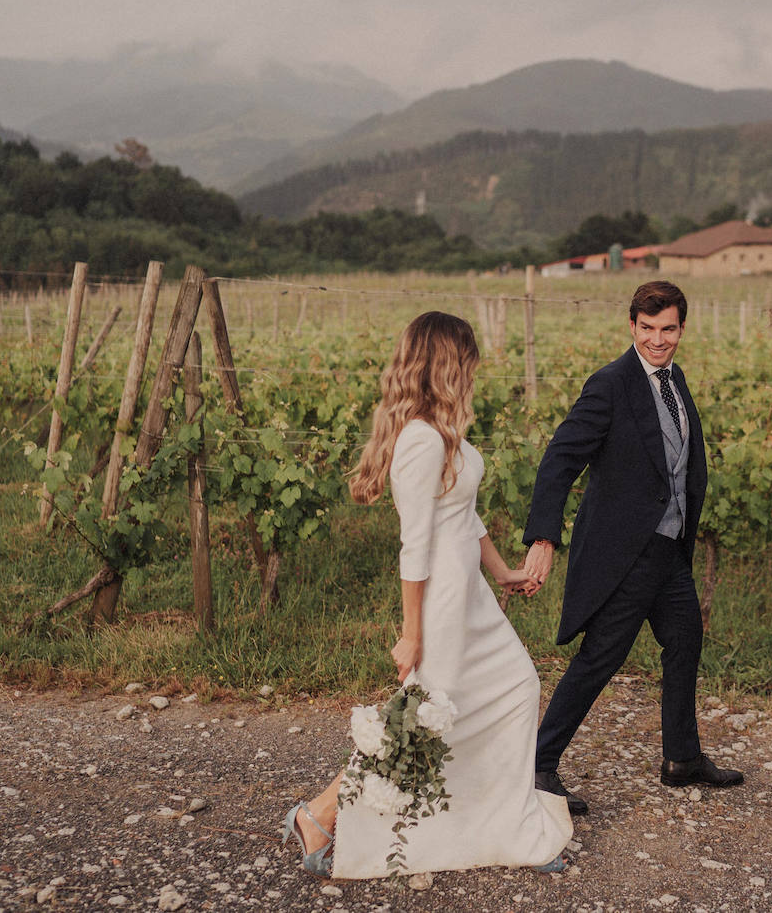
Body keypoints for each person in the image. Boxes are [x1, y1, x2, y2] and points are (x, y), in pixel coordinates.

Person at [281, 312, 572, 878]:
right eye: (468, 360)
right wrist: (411, 633)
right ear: (447, 365)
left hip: (471, 597)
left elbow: (465, 516)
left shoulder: (444, 433)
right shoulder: (419, 441)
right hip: (439, 602)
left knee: (515, 687)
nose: (475, 371)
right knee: (420, 722)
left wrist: (506, 572)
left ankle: (507, 825)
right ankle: (318, 816)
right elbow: (414, 545)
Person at [522, 280, 744, 815]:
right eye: (647, 329)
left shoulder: (674, 378)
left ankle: (682, 759)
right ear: (631, 326)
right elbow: (560, 458)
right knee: (601, 657)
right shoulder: (611, 385)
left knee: (685, 638)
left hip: (669, 550)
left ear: (682, 329)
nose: (657, 340)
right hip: (625, 555)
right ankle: (536, 766)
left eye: (668, 329)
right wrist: (544, 536)